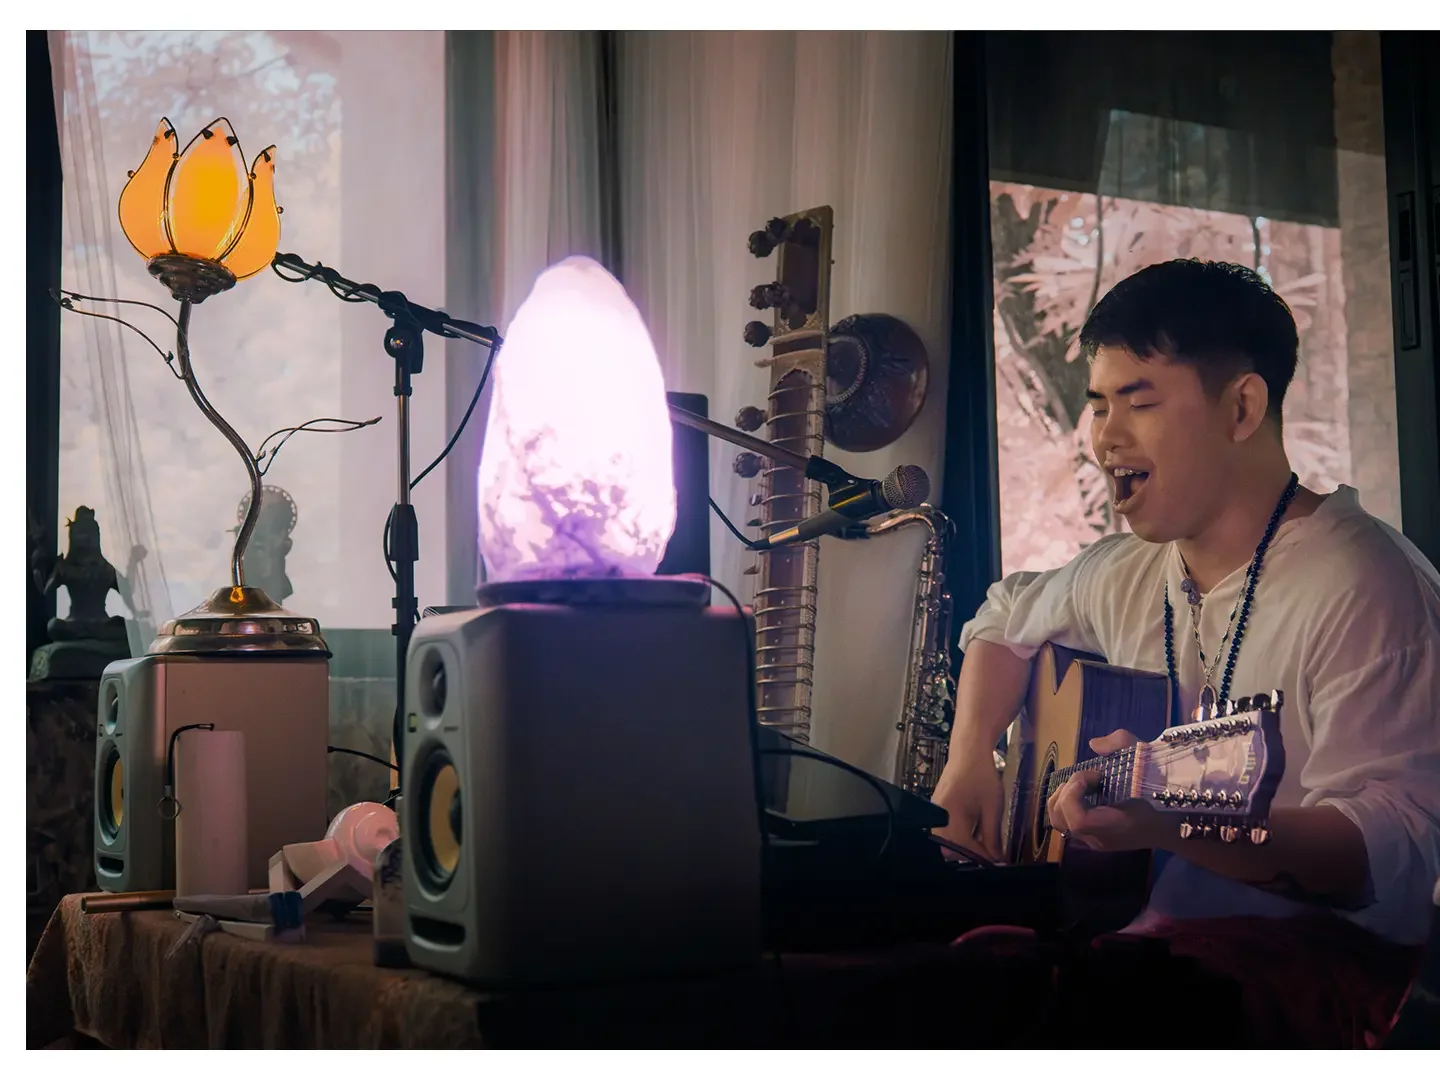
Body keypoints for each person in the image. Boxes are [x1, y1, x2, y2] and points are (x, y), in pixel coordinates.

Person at [931, 259, 1440, 1047]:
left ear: (1242, 407)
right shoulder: (1131, 569)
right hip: (1140, 942)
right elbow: (1004, 620)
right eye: (1098, 405)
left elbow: (1385, 851)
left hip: (1312, 974)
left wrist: (1174, 826)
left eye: (1139, 402)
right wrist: (969, 766)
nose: (1106, 437)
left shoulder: (1365, 583)